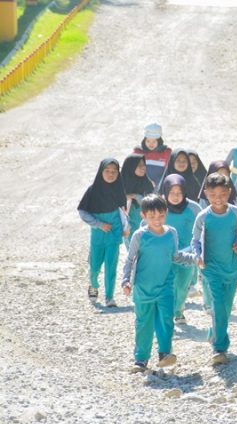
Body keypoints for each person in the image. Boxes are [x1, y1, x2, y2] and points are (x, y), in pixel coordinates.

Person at [122, 194, 194, 372]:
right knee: (143, 323)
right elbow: (130, 260)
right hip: (143, 289)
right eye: (152, 216)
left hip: (165, 287)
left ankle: (164, 353)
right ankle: (141, 359)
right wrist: (126, 281)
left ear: (166, 213)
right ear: (143, 216)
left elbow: (175, 256)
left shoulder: (172, 233)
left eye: (161, 215)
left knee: (166, 320)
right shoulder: (139, 235)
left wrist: (195, 259)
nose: (157, 220)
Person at [191, 173, 237, 365]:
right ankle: (220, 348)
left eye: (222, 194)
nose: (218, 198)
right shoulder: (203, 217)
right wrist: (198, 255)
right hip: (210, 269)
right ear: (206, 193)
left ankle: (214, 332)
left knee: (225, 308)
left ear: (229, 192)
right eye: (213, 194)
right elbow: (195, 242)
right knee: (218, 305)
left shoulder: (235, 213)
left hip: (231, 270)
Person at [78, 158, 129, 308]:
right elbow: (82, 211)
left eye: (114, 171)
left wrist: (126, 228)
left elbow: (123, 212)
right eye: (107, 171)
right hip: (98, 235)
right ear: (101, 172)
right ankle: (93, 286)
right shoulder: (92, 190)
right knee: (94, 266)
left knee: (111, 266)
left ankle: (109, 297)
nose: (111, 174)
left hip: (114, 234)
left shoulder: (119, 190)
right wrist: (99, 224)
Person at [161, 174, 202, 325]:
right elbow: (146, 225)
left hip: (187, 253)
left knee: (183, 285)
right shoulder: (160, 206)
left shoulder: (193, 208)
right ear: (166, 192)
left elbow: (203, 227)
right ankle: (169, 312)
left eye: (179, 193)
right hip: (165, 254)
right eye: (171, 193)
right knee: (168, 284)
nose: (175, 196)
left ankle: (179, 310)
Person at [121, 154, 154, 246]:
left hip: (145, 222)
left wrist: (136, 196)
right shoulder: (119, 185)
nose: (143, 168)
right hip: (127, 224)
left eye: (144, 165)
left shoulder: (147, 183)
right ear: (130, 167)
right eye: (139, 165)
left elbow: (152, 203)